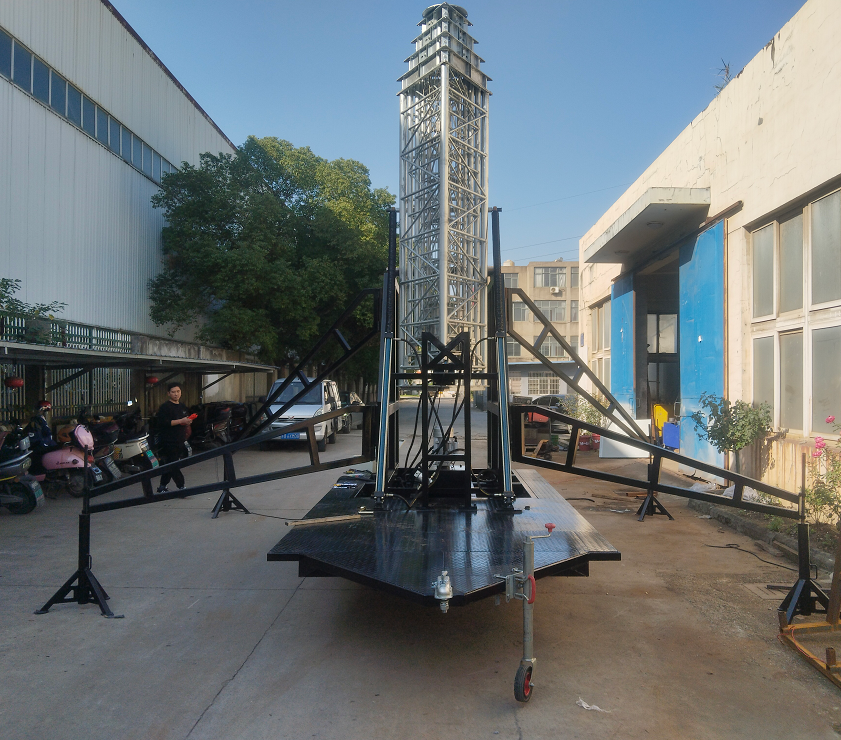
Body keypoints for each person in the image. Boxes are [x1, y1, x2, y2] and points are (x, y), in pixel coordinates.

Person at [156, 382, 192, 493]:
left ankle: (162, 486)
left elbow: (184, 420)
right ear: (168, 393)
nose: (176, 394)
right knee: (174, 464)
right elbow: (164, 423)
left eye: (178, 391)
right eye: (173, 392)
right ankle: (181, 486)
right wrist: (181, 421)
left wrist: (187, 421)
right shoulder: (165, 407)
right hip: (168, 441)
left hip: (180, 439)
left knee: (170, 464)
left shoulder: (182, 407)